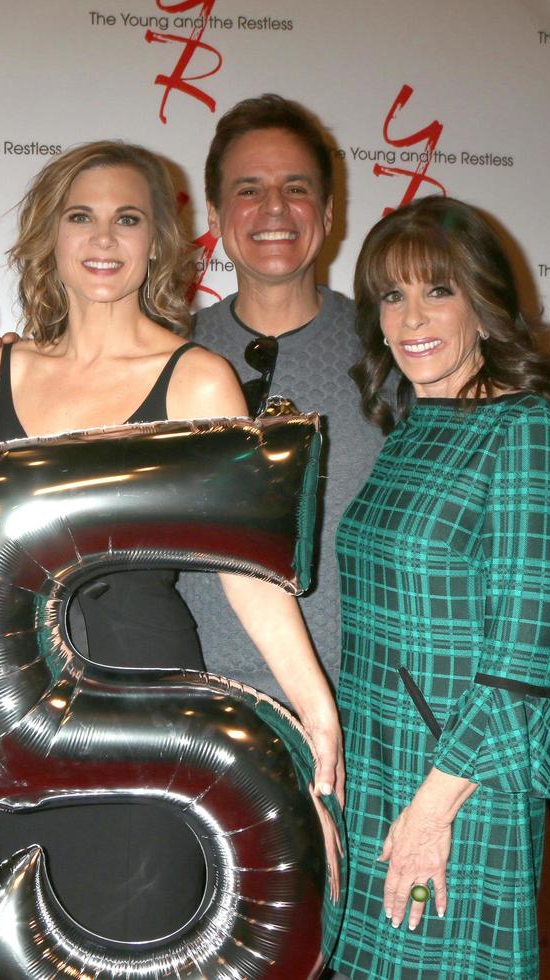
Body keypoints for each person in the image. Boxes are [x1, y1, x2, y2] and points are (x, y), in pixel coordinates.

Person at [0, 140, 342, 942]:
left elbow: (247, 566)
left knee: (142, 928)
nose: (104, 239)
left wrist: (315, 710)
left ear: (156, 244)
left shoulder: (197, 378)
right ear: (50, 236)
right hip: (14, 706)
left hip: (149, 696)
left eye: (127, 219)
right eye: (82, 217)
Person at [333, 196, 550, 979]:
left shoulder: (525, 432)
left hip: (457, 788)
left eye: (437, 290)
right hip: (375, 773)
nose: (411, 317)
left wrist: (428, 817)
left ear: (485, 303)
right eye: (391, 295)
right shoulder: (413, 428)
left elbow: (518, 669)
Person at [178, 94, 382, 702]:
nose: (274, 208)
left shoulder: (393, 353)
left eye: (296, 188)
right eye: (248, 190)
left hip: (362, 718)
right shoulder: (164, 358)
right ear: (214, 214)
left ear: (328, 210)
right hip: (193, 718)